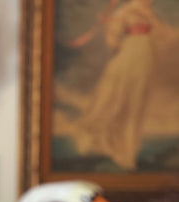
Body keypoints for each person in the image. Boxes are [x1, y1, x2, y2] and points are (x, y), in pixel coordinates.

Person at [74, 0, 176, 170]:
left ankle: (127, 153)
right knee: (115, 99)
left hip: (146, 57)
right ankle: (102, 141)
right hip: (129, 55)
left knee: (137, 103)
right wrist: (116, 47)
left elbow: (164, 34)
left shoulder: (150, 13)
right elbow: (113, 34)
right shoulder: (127, 10)